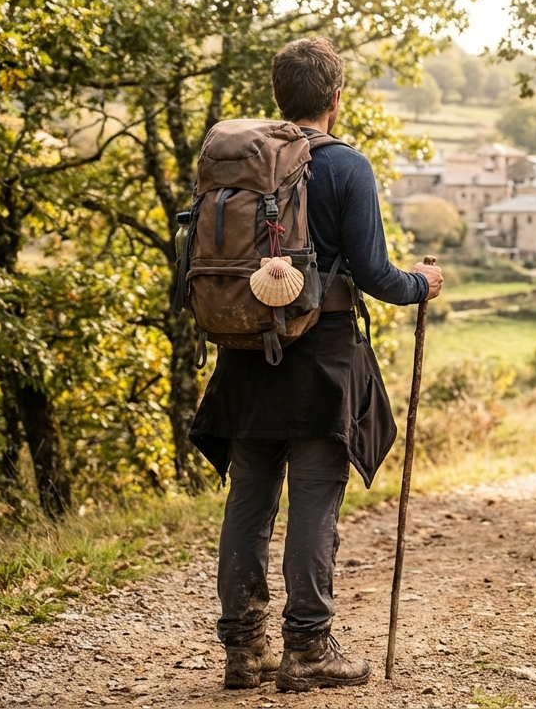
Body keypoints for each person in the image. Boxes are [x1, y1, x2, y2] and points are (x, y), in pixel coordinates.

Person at [188, 38, 442, 692]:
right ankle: (307, 648)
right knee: (312, 499)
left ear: (280, 96)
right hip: (320, 355)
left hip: (245, 348)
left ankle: (243, 649)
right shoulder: (345, 166)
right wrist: (421, 284)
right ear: (335, 98)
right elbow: (376, 275)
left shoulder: (243, 164)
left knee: (248, 498)